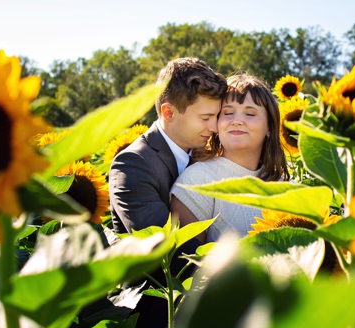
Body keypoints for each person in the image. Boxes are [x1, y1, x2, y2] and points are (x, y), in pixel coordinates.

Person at [109, 57, 227, 234]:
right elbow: (167, 247)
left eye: (216, 117)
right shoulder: (133, 165)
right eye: (205, 118)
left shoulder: (207, 154)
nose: (214, 127)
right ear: (169, 112)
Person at [170, 72, 288, 243]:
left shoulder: (286, 188)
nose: (237, 121)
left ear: (269, 127)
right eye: (227, 113)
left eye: (250, 114)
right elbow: (187, 263)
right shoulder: (198, 182)